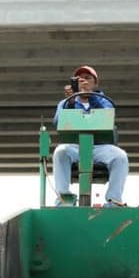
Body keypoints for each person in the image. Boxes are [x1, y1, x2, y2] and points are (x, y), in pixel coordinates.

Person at [52, 64, 129, 208]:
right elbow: (58, 123)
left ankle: (114, 200)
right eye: (80, 80)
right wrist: (71, 103)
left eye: (88, 78)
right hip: (76, 146)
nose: (84, 82)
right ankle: (63, 198)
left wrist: (91, 97)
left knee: (120, 157)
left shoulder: (104, 101)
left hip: (100, 147)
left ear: (95, 83)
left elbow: (108, 117)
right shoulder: (65, 103)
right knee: (61, 152)